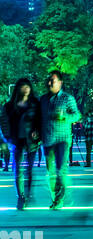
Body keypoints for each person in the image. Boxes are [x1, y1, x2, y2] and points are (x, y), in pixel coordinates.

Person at [39, 70, 80, 209]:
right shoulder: (43, 99)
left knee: (60, 170)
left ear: (60, 83)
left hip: (63, 139)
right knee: (50, 171)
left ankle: (59, 199)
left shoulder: (67, 98)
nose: (50, 83)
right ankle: (55, 197)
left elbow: (76, 115)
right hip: (48, 139)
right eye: (49, 80)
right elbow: (39, 119)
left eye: (53, 80)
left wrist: (64, 118)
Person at [1, 78, 41, 209]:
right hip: (16, 140)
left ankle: (28, 195)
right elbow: (4, 122)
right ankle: (20, 197)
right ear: (18, 89)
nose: (26, 89)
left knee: (29, 169)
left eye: (27, 86)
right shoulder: (9, 106)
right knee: (17, 170)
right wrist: (7, 137)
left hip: (32, 141)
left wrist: (38, 133)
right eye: (23, 87)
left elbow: (41, 120)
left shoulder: (35, 103)